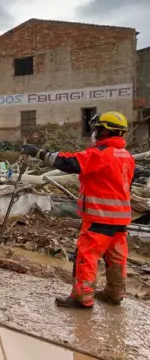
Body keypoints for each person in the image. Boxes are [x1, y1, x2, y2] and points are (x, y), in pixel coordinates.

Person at [21, 111, 134, 309]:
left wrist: (38, 152)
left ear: (106, 132)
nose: (95, 133)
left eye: (97, 129)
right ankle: (115, 293)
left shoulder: (99, 154)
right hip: (121, 221)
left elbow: (68, 162)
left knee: (86, 257)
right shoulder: (127, 157)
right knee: (116, 258)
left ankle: (82, 298)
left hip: (99, 218)